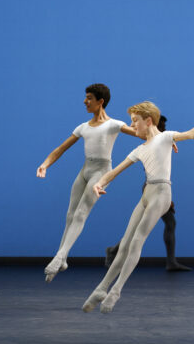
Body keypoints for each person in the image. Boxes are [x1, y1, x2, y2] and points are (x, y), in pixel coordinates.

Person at [82, 102, 194, 313]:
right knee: (125, 243)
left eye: (135, 121)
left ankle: (116, 291)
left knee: (137, 241)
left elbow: (190, 134)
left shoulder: (165, 137)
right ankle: (102, 288)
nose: (132, 125)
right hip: (147, 194)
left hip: (161, 194)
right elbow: (116, 171)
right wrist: (99, 183)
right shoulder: (140, 149)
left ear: (148, 121)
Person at [37, 84, 140, 283]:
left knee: (81, 213)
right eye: (86, 97)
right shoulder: (83, 127)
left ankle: (59, 257)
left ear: (101, 101)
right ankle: (63, 257)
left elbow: (142, 134)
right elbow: (61, 148)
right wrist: (45, 164)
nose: (85, 101)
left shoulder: (114, 124)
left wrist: (165, 139)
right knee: (70, 214)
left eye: (89, 98)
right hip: (85, 170)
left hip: (101, 172)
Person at [105, 117, 191, 272]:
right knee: (143, 227)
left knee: (164, 224)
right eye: (162, 124)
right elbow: (153, 170)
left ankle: (170, 261)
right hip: (152, 188)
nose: (164, 127)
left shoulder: (163, 139)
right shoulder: (154, 142)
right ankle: (115, 250)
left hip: (159, 188)